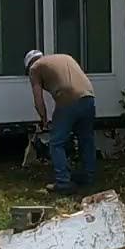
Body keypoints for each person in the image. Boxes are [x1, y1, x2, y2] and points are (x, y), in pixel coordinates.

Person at [24, 49, 96, 194]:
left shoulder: (34, 68)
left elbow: (38, 99)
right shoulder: (65, 57)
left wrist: (43, 119)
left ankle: (63, 182)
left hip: (68, 99)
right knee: (86, 139)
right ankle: (89, 176)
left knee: (56, 142)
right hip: (88, 97)